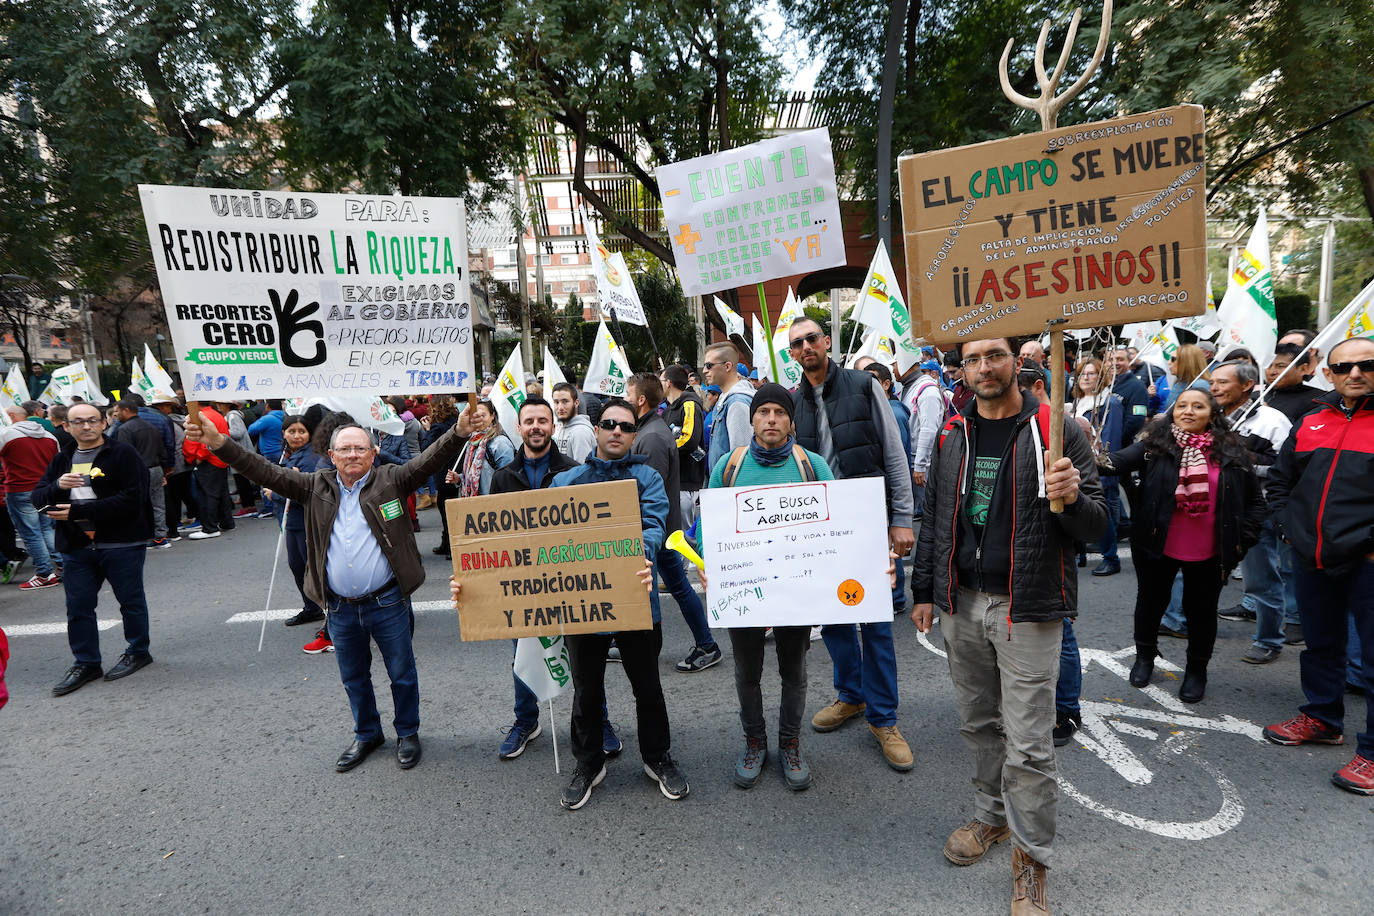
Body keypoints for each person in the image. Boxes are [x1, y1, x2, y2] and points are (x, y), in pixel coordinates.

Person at [912, 335, 1106, 916]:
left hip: (1027, 609)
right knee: (978, 724)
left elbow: (1097, 527)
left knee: (1029, 745)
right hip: (962, 604)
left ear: (1016, 362)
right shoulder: (952, 433)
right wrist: (925, 590)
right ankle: (991, 819)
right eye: (971, 358)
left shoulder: (1058, 429)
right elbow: (934, 518)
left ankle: (1032, 861)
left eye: (993, 355)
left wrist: (1072, 499)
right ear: (963, 370)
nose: (982, 367)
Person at [187, 406, 473, 773]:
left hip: (388, 601)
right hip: (339, 607)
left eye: (360, 449)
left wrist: (459, 432)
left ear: (373, 453)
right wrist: (219, 442)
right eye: (344, 449)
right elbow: (262, 469)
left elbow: (431, 460)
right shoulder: (313, 485)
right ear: (332, 455)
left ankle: (407, 733)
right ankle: (367, 733)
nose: (352, 455)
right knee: (354, 677)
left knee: (401, 673)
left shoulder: (392, 479)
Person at [787, 317, 917, 772]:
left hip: (867, 525)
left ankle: (884, 718)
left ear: (826, 342)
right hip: (821, 532)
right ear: (792, 354)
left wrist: (901, 519)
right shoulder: (791, 402)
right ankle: (852, 697)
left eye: (810, 339)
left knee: (876, 624)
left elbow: (894, 453)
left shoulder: (864, 385)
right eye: (795, 344)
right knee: (836, 620)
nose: (805, 347)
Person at [546, 398, 684, 810]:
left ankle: (657, 757)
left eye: (626, 426)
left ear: (633, 434)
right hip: (582, 603)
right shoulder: (567, 481)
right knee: (586, 689)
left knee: (648, 687)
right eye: (609, 424)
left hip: (636, 599)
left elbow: (655, 522)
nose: (617, 432)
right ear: (598, 428)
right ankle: (588, 763)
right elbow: (543, 536)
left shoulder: (648, 477)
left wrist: (636, 553)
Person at [701, 383, 833, 790]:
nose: (771, 419)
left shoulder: (812, 465)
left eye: (779, 412)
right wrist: (710, 564)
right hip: (745, 591)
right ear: (753, 418)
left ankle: (790, 743)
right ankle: (754, 742)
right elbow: (710, 525)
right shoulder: (729, 465)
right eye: (763, 412)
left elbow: (837, 526)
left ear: (791, 420)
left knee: (794, 671)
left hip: (795, 592)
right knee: (747, 671)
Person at [1262, 335, 1374, 796]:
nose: (1355, 373)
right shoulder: (1311, 418)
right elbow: (1280, 480)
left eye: (1366, 365)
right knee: (1321, 645)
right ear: (1327, 373)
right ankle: (1323, 719)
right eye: (1344, 366)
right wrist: (1289, 529)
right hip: (1312, 558)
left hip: (1367, 561)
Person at [1102, 388, 1264, 703]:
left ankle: (1196, 670)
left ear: (1213, 414)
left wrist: (1243, 542)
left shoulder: (1233, 452)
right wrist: (1076, 444)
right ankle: (1145, 657)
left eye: (1198, 406)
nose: (1188, 411)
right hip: (1156, 545)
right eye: (1182, 406)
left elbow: (1255, 503)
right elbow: (1112, 463)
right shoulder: (1154, 446)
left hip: (1210, 551)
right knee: (1150, 604)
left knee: (1201, 612)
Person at [35, 402, 155, 696]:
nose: (85, 426)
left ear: (104, 423)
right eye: (78, 422)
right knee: (78, 607)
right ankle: (87, 662)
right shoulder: (62, 458)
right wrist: (57, 487)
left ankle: (138, 651)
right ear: (67, 426)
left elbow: (133, 499)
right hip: (76, 546)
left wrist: (77, 510)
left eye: (92, 420)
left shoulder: (122, 453)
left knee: (130, 601)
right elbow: (38, 498)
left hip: (121, 542)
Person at [625, 372, 720, 672]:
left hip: (657, 530)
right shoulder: (650, 428)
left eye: (627, 395)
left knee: (656, 588)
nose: (623, 400)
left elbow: (648, 489)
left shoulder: (651, 436)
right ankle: (705, 644)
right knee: (676, 586)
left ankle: (653, 647)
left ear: (640, 400)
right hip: (662, 528)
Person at [1208, 360, 1293, 663]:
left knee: (1261, 579)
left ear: (1246, 385)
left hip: (1255, 511)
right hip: (1212, 509)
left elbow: (1283, 469)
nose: (1214, 388)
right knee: (1202, 574)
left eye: (1222, 382)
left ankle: (1269, 639)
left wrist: (1235, 459)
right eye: (1212, 382)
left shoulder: (1271, 421)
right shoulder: (1210, 416)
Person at [267, 415, 328, 634]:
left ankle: (331, 615)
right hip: (289, 522)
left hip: (306, 521)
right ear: (283, 433)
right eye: (291, 431)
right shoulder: (285, 453)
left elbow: (306, 492)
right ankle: (311, 608)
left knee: (314, 569)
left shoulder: (310, 457)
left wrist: (275, 494)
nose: (296, 435)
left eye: (301, 431)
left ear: (309, 434)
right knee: (297, 566)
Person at [436, 400, 513, 557]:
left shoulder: (500, 443)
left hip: (495, 513)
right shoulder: (472, 442)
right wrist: (459, 478)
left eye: (483, 415)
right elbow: (475, 476)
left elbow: (509, 480)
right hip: (475, 513)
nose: (478, 419)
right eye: (474, 415)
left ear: (492, 417)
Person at [865, 361, 913, 610]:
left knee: (893, 547)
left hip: (888, 491)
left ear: (886, 383)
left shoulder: (893, 412)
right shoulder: (872, 409)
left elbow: (898, 456)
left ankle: (895, 599)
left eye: (872, 378)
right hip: (880, 492)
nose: (866, 385)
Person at [1071, 357, 1125, 577]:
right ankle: (1080, 552)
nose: (1085, 377)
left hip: (1096, 467)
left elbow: (1110, 440)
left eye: (1091, 373)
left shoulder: (1109, 402)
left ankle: (1111, 558)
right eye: (1082, 373)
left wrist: (1102, 469)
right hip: (1078, 462)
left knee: (1101, 515)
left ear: (1101, 377)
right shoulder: (1076, 402)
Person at [0, 405, 61, 589]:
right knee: (47, 528)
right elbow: (58, 462)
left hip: (20, 489)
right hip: (46, 489)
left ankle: (44, 574)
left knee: (31, 533)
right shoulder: (49, 436)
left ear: (11, 416)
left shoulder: (7, 435)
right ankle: (62, 564)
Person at [111, 394, 171, 548]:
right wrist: (164, 470)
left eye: (117, 412)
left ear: (126, 410)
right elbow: (162, 450)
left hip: (137, 471)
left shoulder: (124, 429)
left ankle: (144, 535)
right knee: (158, 504)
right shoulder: (151, 426)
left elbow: (125, 455)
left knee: (139, 504)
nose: (116, 415)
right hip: (156, 468)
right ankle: (160, 536)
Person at [661, 365, 706, 532]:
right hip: (673, 481)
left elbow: (690, 439)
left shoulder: (689, 405)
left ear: (669, 383)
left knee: (686, 535)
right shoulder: (667, 410)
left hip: (687, 481)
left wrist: (665, 449)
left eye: (661, 380)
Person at [183, 402, 234, 539]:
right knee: (221, 492)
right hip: (220, 458)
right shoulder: (216, 414)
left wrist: (199, 457)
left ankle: (210, 528)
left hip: (209, 459)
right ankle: (226, 522)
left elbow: (205, 441)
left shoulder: (202, 416)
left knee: (207, 495)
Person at [702, 341, 755, 473]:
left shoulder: (737, 402)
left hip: (730, 489)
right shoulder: (725, 398)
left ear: (727, 366)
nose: (704, 371)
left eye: (709, 365)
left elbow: (741, 459)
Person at [1263, 342, 1324, 424]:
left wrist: (1271, 418)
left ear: (1303, 369)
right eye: (1268, 366)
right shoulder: (1254, 396)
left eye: (1280, 366)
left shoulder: (1319, 401)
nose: (1272, 372)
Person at [551, 382, 596, 463]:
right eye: (556, 402)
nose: (560, 407)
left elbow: (582, 470)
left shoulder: (580, 432)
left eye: (565, 401)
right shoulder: (565, 427)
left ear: (576, 403)